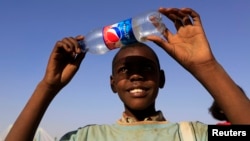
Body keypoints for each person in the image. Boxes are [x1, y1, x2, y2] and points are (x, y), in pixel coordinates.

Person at [5, 7, 250, 141]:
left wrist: (206, 66)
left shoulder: (193, 134)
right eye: (124, 70)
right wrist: (48, 87)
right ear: (112, 84)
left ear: (161, 79)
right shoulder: (85, 136)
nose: (136, 76)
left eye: (146, 68)